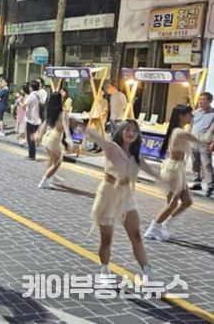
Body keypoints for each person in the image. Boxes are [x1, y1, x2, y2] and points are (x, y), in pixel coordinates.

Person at [86, 121, 160, 282]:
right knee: (107, 239)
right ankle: (104, 270)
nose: (130, 133)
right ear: (121, 131)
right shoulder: (112, 148)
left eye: (134, 130)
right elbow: (98, 138)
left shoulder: (136, 155)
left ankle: (147, 272)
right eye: (127, 129)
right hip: (108, 195)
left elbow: (152, 171)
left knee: (136, 235)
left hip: (126, 196)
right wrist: (87, 128)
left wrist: (166, 181)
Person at [144, 105, 211, 240]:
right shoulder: (179, 132)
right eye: (189, 114)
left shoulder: (178, 130)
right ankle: (153, 229)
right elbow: (204, 139)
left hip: (177, 168)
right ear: (182, 116)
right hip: (173, 169)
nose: (191, 117)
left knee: (187, 201)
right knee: (172, 203)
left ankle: (165, 225)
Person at [36, 93, 72, 189]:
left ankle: (50, 178)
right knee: (57, 162)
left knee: (51, 160)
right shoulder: (62, 113)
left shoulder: (49, 111)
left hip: (48, 136)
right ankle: (44, 181)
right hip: (55, 138)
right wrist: (69, 139)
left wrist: (39, 135)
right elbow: (66, 127)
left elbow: (44, 124)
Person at [190, 92, 214, 197]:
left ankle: (210, 186)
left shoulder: (213, 114)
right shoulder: (195, 113)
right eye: (200, 99)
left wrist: (213, 143)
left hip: (205, 143)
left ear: (210, 101)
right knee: (195, 163)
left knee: (206, 164)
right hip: (193, 141)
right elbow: (191, 126)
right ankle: (197, 182)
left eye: (203, 99)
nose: (201, 102)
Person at [22, 81, 42, 160]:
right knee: (33, 137)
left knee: (30, 138)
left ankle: (32, 155)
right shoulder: (39, 94)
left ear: (31, 87)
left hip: (31, 119)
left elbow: (24, 105)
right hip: (38, 119)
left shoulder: (32, 95)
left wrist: (20, 102)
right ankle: (33, 152)